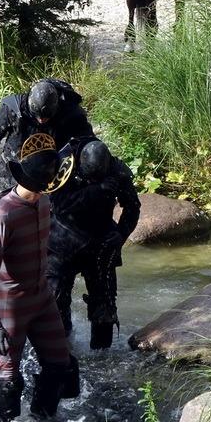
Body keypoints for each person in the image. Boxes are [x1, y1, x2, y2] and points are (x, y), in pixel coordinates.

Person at [0, 132, 80, 422]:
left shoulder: (44, 203)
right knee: (8, 382)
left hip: (43, 298)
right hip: (11, 305)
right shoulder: (2, 215)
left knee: (61, 366)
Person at [48, 138, 141, 349]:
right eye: (88, 179)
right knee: (55, 298)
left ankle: (102, 356)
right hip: (63, 238)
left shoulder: (117, 171)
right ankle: (62, 348)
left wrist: (121, 232)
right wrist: (96, 189)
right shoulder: (64, 164)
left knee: (105, 306)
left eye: (95, 179)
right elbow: (58, 204)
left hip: (101, 240)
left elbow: (132, 208)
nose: (90, 181)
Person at [0, 78, 95, 201]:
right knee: (3, 207)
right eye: (37, 116)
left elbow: (88, 143)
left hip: (50, 173)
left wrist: (90, 172)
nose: (41, 120)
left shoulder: (70, 112)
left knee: (48, 211)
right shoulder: (13, 108)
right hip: (12, 167)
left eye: (46, 117)